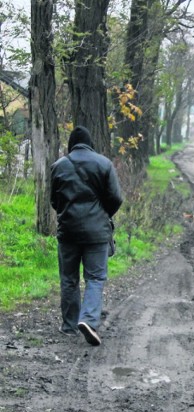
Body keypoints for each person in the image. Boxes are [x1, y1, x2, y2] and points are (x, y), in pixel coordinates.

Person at [50, 126, 123, 346]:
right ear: (90, 143)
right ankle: (89, 320)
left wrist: (69, 214)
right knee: (95, 278)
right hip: (97, 233)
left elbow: (54, 200)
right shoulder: (104, 164)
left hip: (68, 232)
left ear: (71, 144)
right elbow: (116, 198)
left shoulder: (58, 166)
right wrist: (101, 216)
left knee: (69, 279)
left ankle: (70, 326)